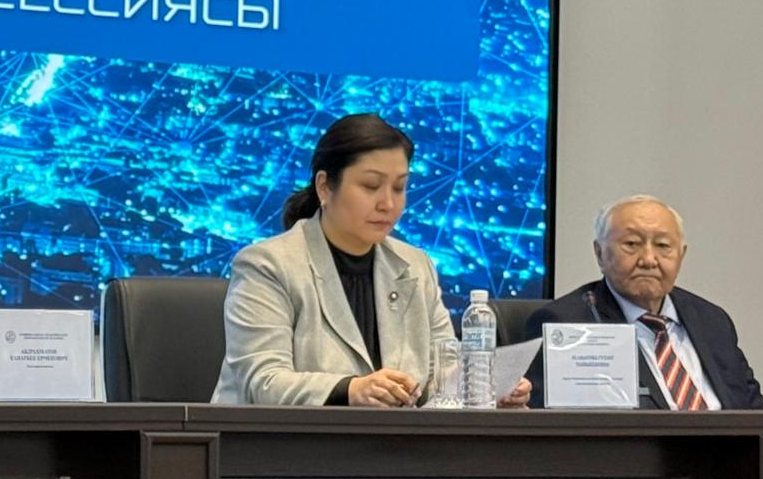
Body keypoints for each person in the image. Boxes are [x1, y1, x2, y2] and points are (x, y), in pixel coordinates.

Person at [214, 112, 528, 408]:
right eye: (370, 186)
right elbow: (264, 382)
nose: (388, 203)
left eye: (399, 187)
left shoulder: (415, 266)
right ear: (324, 186)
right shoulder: (268, 265)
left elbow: (443, 373)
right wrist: (352, 389)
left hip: (391, 442)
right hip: (277, 442)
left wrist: (487, 387)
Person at [524, 196, 763, 409]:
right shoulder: (569, 323)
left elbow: (756, 416)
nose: (649, 260)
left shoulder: (711, 320)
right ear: (599, 253)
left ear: (681, 255)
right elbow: (559, 428)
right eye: (632, 244)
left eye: (663, 246)